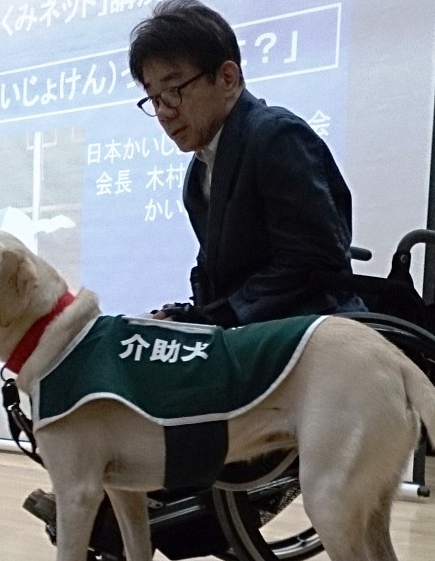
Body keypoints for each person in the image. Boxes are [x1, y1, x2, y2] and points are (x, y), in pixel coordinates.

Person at [129, 0, 366, 327]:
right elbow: (221, 274)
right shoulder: (200, 170)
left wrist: (224, 315)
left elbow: (313, 262)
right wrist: (189, 314)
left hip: (315, 339)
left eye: (174, 90)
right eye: (155, 99)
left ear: (227, 78)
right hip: (259, 339)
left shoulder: (276, 136)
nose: (165, 112)